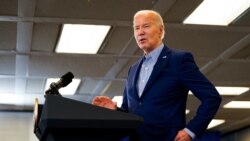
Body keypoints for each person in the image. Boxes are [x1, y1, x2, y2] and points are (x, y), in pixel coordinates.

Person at [92, 10, 221, 141]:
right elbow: (131, 112)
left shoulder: (179, 60)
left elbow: (212, 97)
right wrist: (115, 111)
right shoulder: (133, 69)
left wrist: (191, 131)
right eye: (136, 28)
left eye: (146, 26)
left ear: (160, 30)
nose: (140, 32)